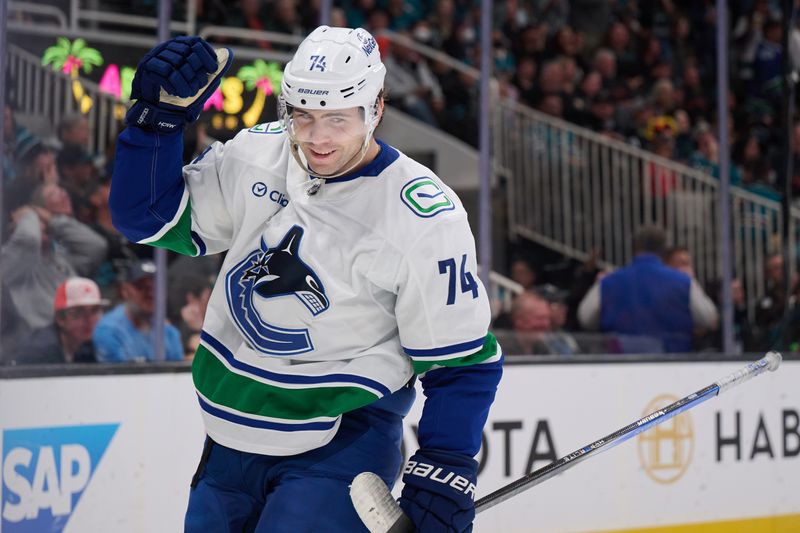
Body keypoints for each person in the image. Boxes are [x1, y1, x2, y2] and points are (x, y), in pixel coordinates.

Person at [109, 30, 502, 532]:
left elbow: (462, 361)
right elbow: (147, 218)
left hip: (341, 441)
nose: (317, 137)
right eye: (304, 115)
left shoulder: (423, 216)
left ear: (375, 108)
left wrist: (446, 469)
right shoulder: (258, 154)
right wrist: (156, 124)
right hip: (230, 434)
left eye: (338, 118)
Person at [577, 226, 718, 353]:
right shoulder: (684, 282)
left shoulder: (608, 281)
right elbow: (708, 317)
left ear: (634, 248)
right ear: (663, 251)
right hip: (673, 364)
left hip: (621, 365)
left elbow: (585, 318)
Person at [93, 259, 184, 362]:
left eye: (155, 287)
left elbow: (175, 373)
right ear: (125, 290)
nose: (150, 294)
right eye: (141, 286)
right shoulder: (109, 330)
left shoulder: (169, 332)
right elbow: (117, 376)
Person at [7, 277, 107, 365]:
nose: (89, 319)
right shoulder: (39, 353)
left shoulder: (87, 346)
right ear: (60, 319)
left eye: (94, 310)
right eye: (79, 312)